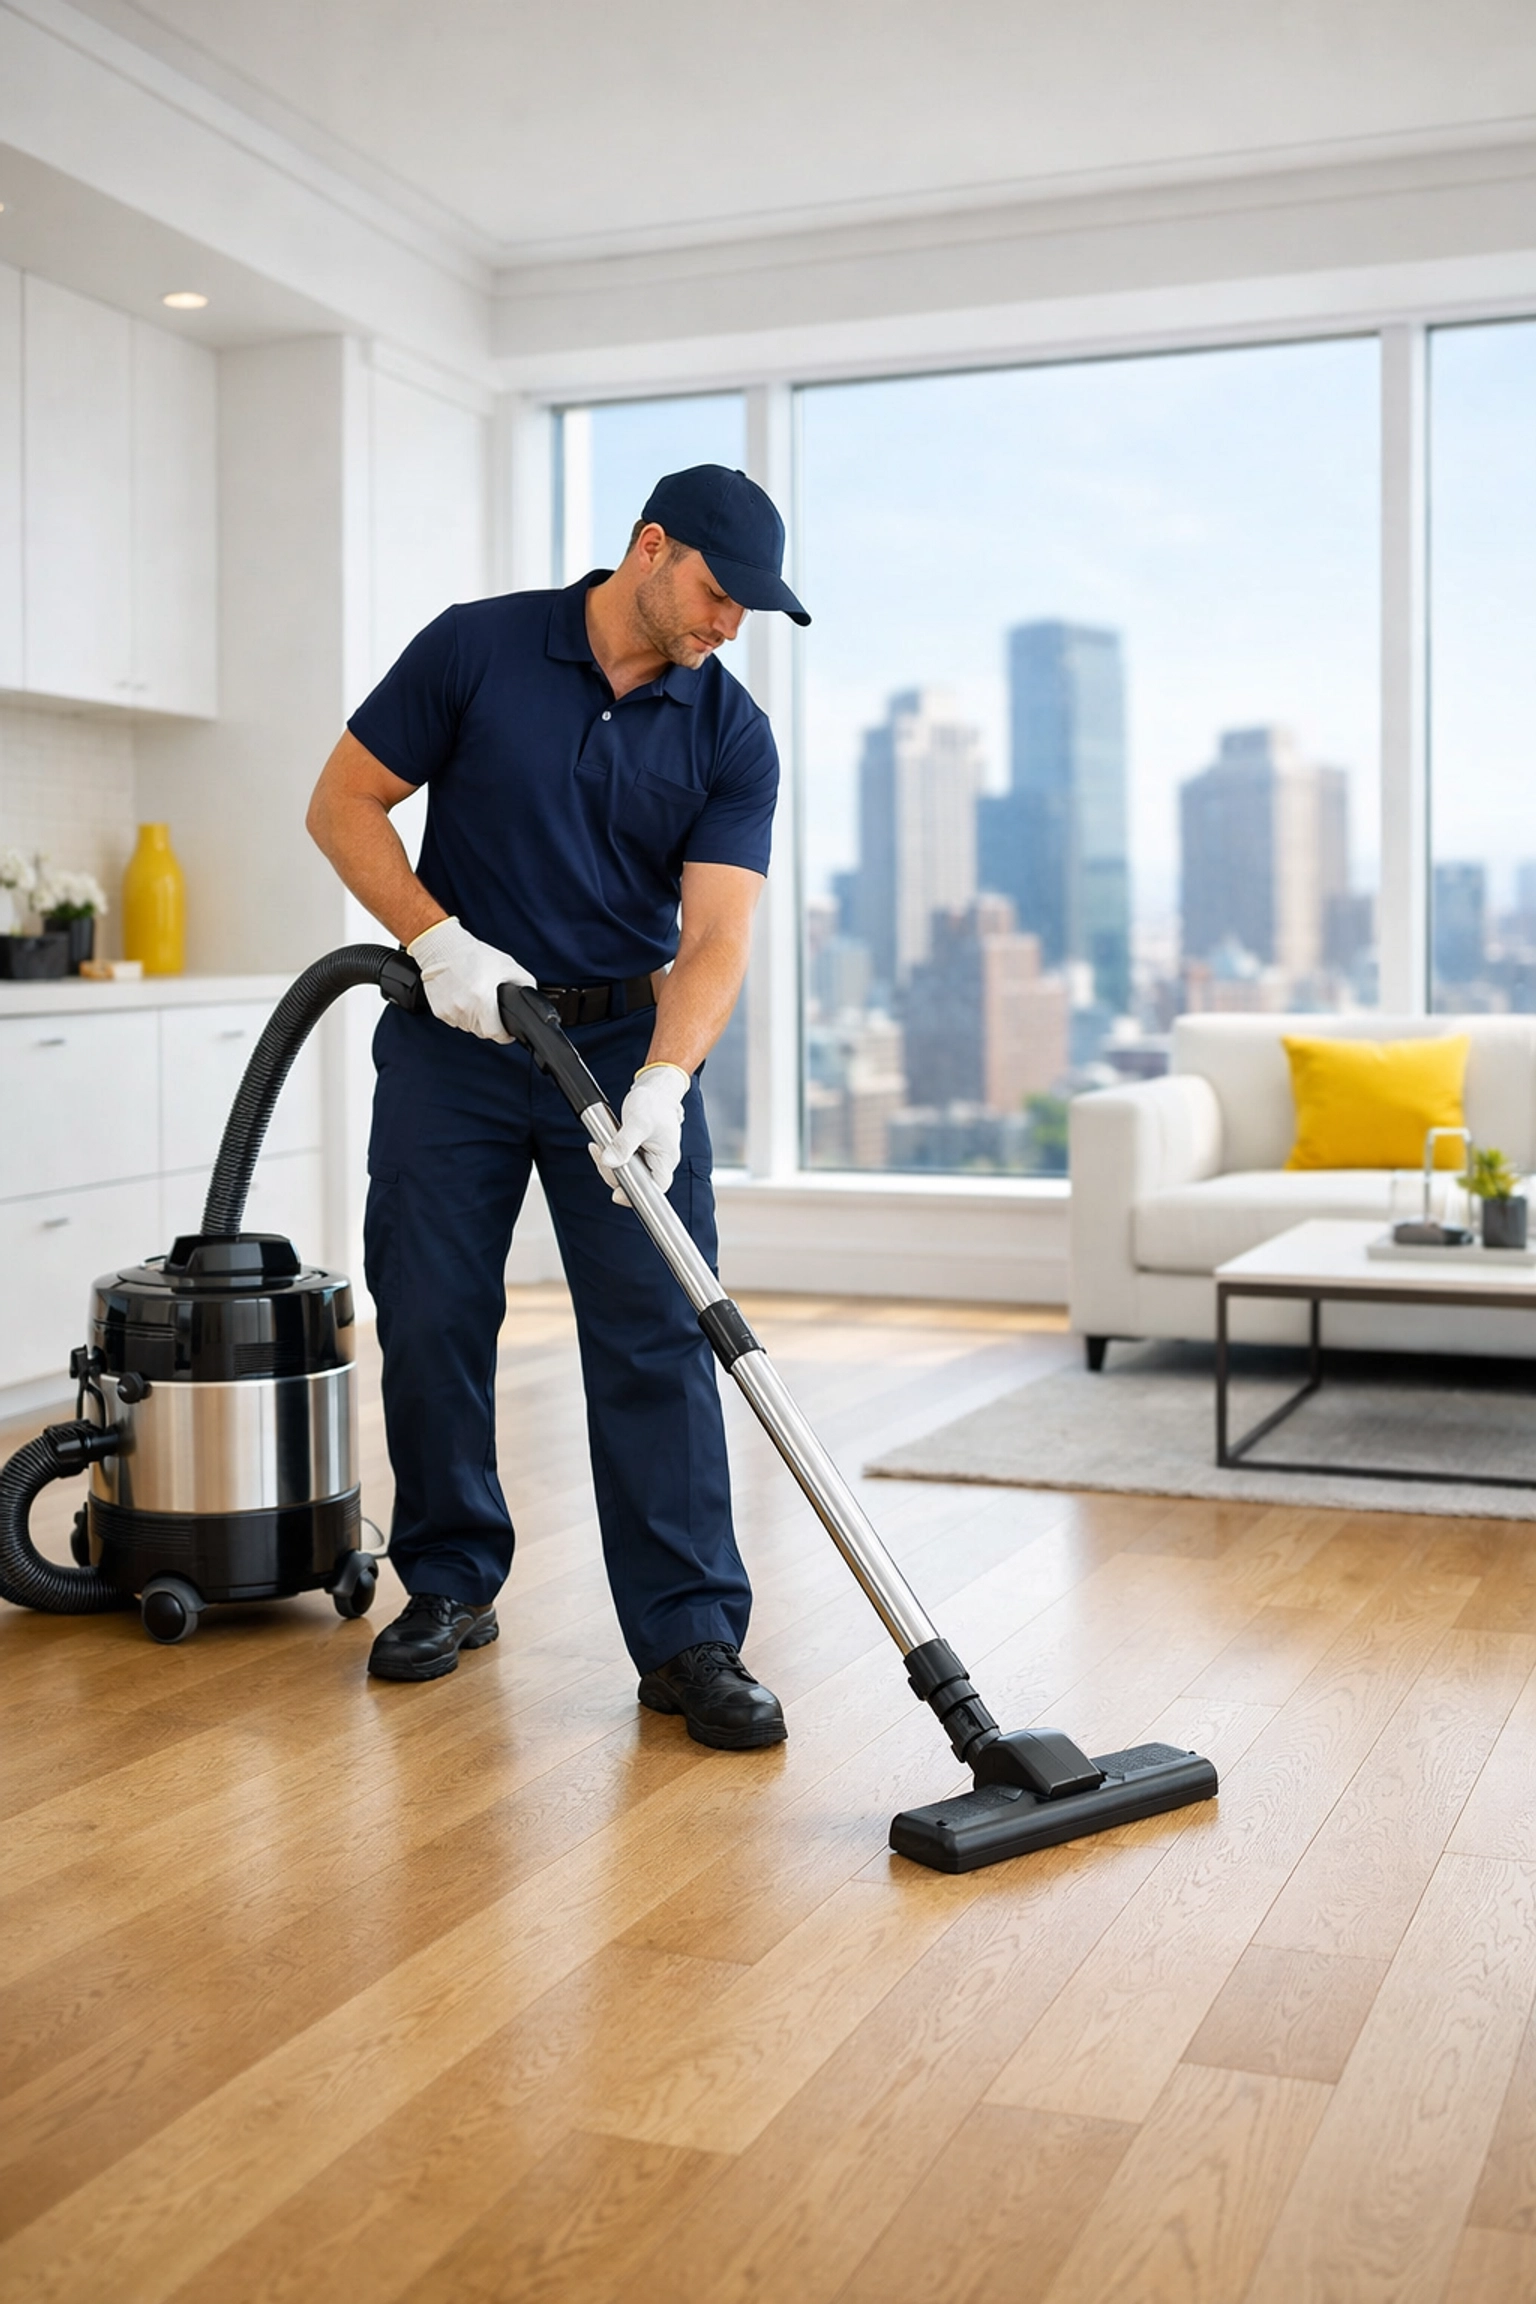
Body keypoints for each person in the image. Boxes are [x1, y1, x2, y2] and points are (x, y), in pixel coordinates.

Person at [305, 465, 809, 1750]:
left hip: (625, 1049)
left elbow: (716, 938)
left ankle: (689, 1636)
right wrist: (435, 940)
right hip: (457, 1042)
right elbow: (342, 802)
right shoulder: (478, 648)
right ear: (651, 547)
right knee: (431, 1310)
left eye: (750, 610)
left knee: (657, 1332)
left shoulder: (730, 731)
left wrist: (668, 1080)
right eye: (718, 593)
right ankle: (449, 1582)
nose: (728, 625)